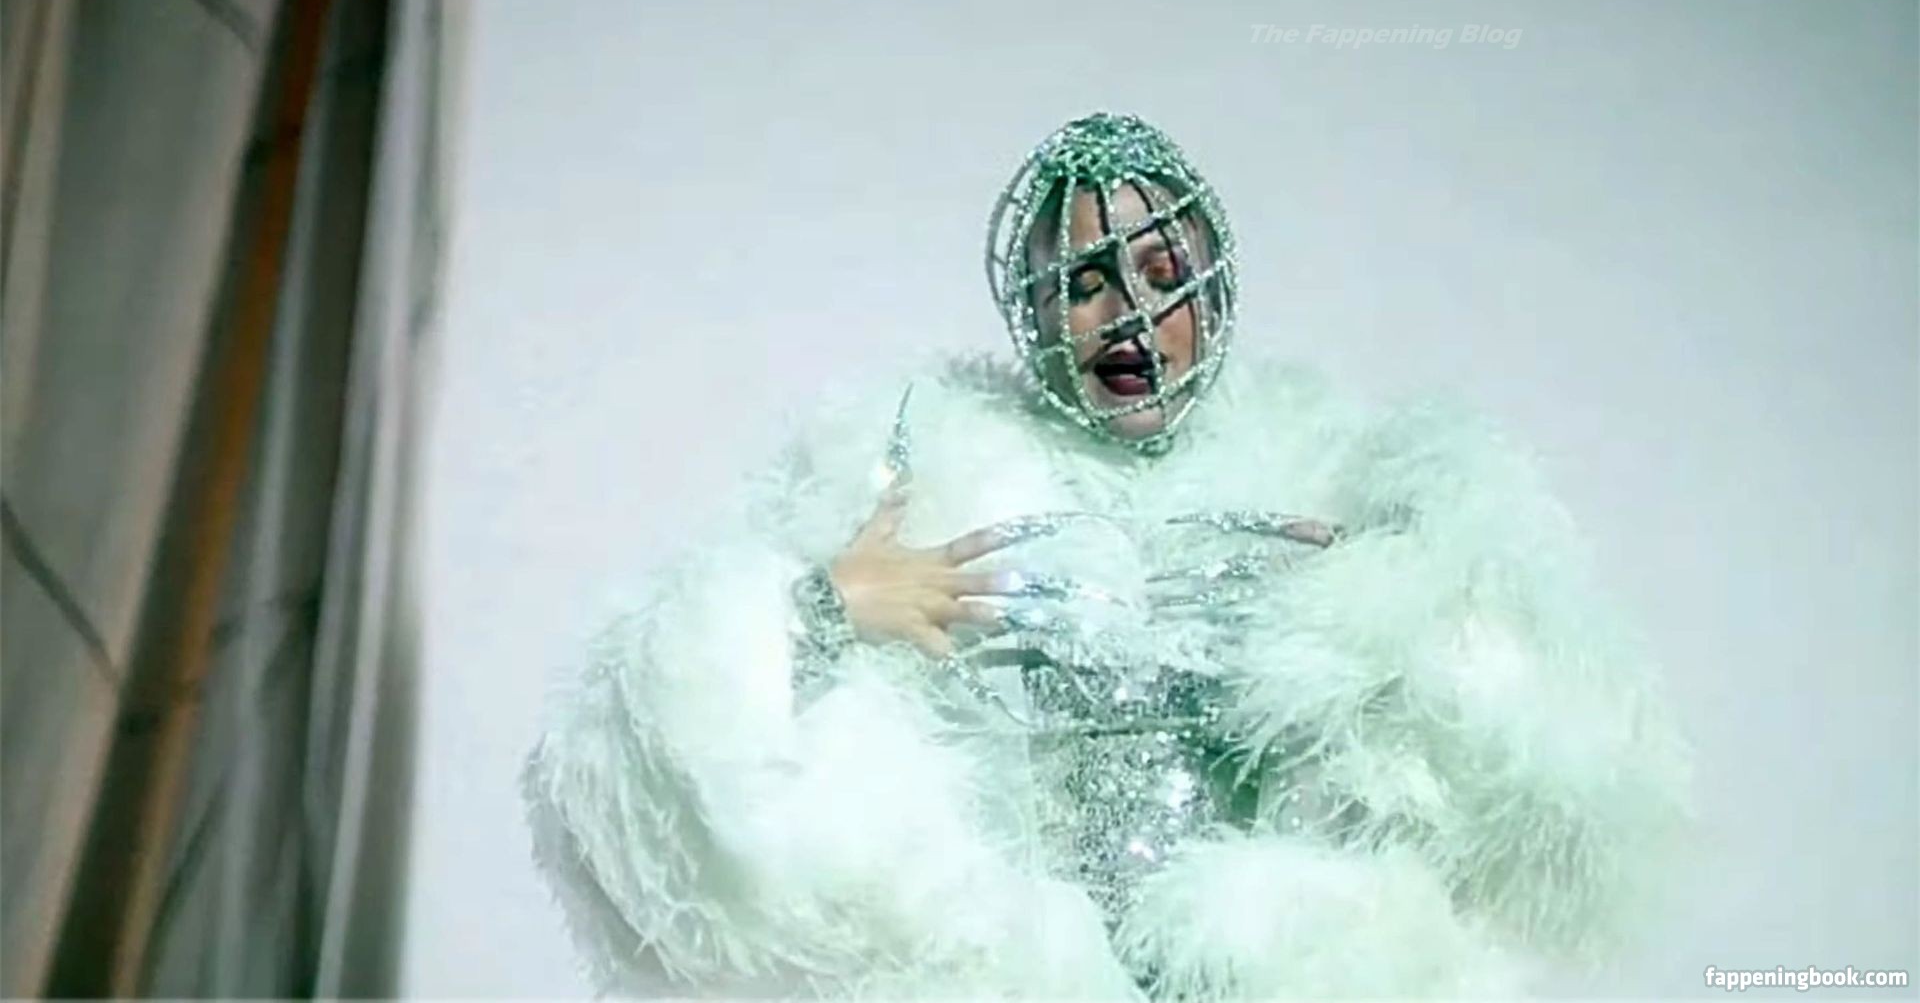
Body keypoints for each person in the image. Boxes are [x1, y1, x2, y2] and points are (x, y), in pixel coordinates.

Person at [522, 112, 1692, 999]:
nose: (1128, 313)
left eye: (1164, 275)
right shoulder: (915, 457)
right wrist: (820, 607)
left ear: (1215, 285)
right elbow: (657, 741)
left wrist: (1401, 601)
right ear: (1033, 304)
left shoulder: (1333, 470)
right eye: (1084, 281)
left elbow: (1537, 766)